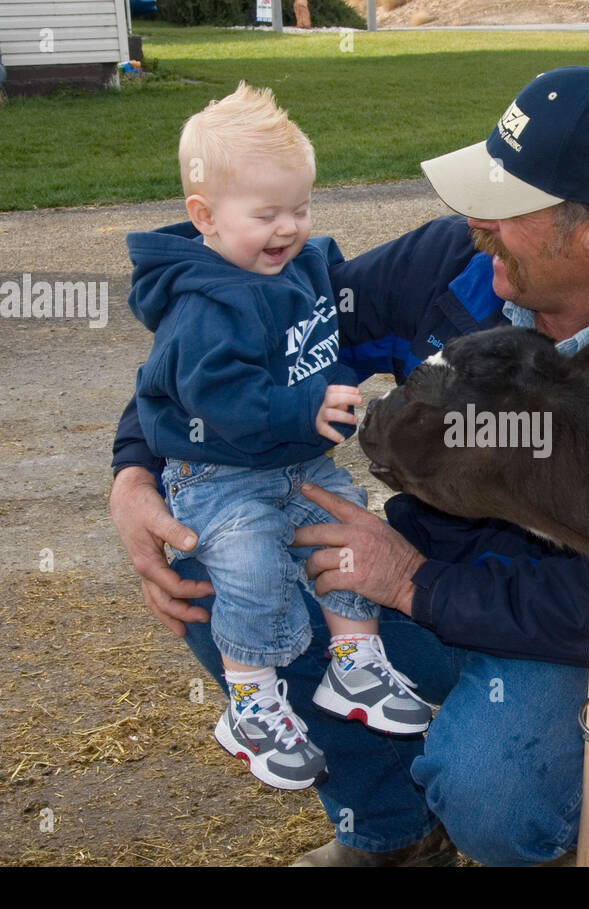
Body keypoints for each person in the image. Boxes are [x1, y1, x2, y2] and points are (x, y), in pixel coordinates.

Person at [110, 64, 589, 865]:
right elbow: (248, 342)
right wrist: (136, 470)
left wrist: (412, 580)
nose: (473, 219)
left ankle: (539, 827)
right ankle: (390, 832)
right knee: (219, 581)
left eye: (505, 205)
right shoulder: (456, 261)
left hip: (565, 640)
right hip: (422, 581)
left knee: (495, 794)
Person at [126, 81, 431, 793]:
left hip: (296, 465)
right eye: (267, 214)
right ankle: (251, 698)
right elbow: (211, 396)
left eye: (301, 207)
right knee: (250, 568)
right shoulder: (204, 307)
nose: (289, 228)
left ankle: (354, 663)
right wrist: (301, 410)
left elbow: (324, 319)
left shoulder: (298, 268)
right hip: (218, 476)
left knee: (353, 532)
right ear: (203, 215)